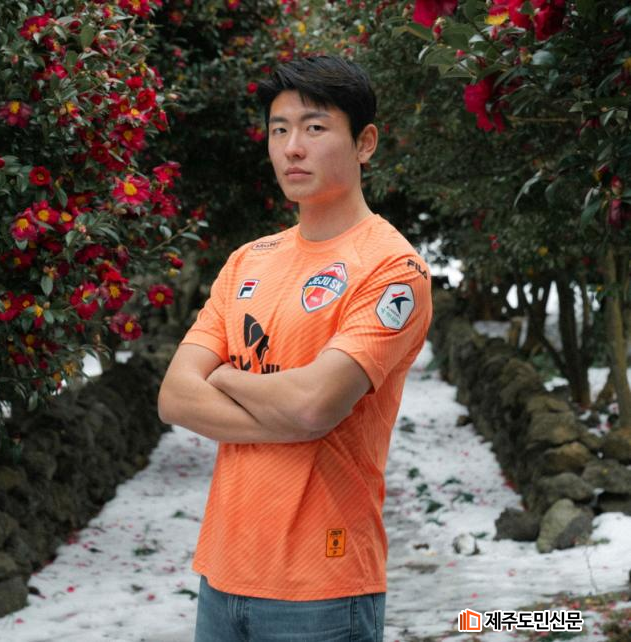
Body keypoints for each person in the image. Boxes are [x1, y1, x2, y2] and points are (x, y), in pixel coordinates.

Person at [158, 55, 433, 642]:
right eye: (279, 129)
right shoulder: (248, 261)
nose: (292, 148)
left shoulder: (392, 270)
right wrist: (294, 413)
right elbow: (175, 398)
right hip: (222, 575)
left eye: (314, 127)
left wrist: (225, 377)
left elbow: (314, 406)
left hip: (323, 587)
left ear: (364, 143)